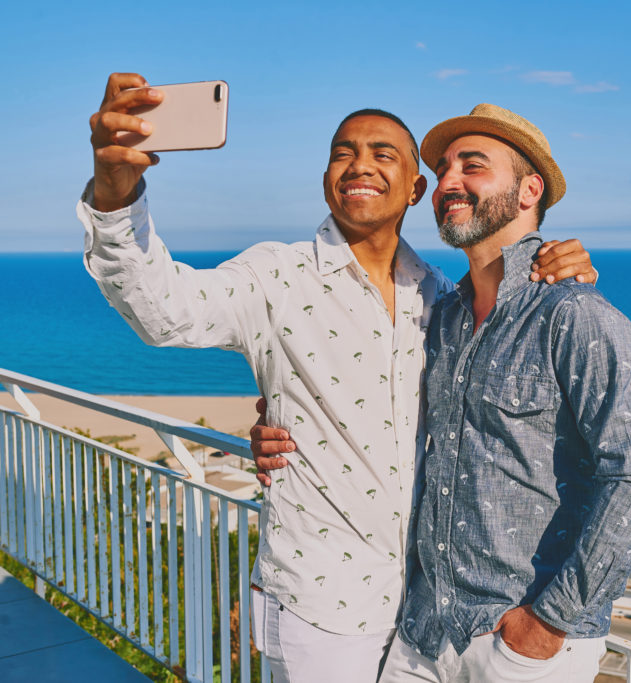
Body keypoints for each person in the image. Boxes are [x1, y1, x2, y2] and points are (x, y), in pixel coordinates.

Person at [78, 73, 596, 682]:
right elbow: (162, 308)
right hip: (317, 610)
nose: (359, 165)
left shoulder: (442, 299)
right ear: (326, 180)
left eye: (383, 154)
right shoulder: (277, 277)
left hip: (425, 617)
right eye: (342, 153)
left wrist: (555, 264)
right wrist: (115, 197)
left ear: (415, 188)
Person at [377, 103, 631, 681]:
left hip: (516, 647)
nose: (448, 182)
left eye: (473, 165)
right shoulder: (443, 316)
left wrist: (548, 623)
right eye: (442, 169)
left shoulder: (574, 315)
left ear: (528, 189)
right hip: (422, 630)